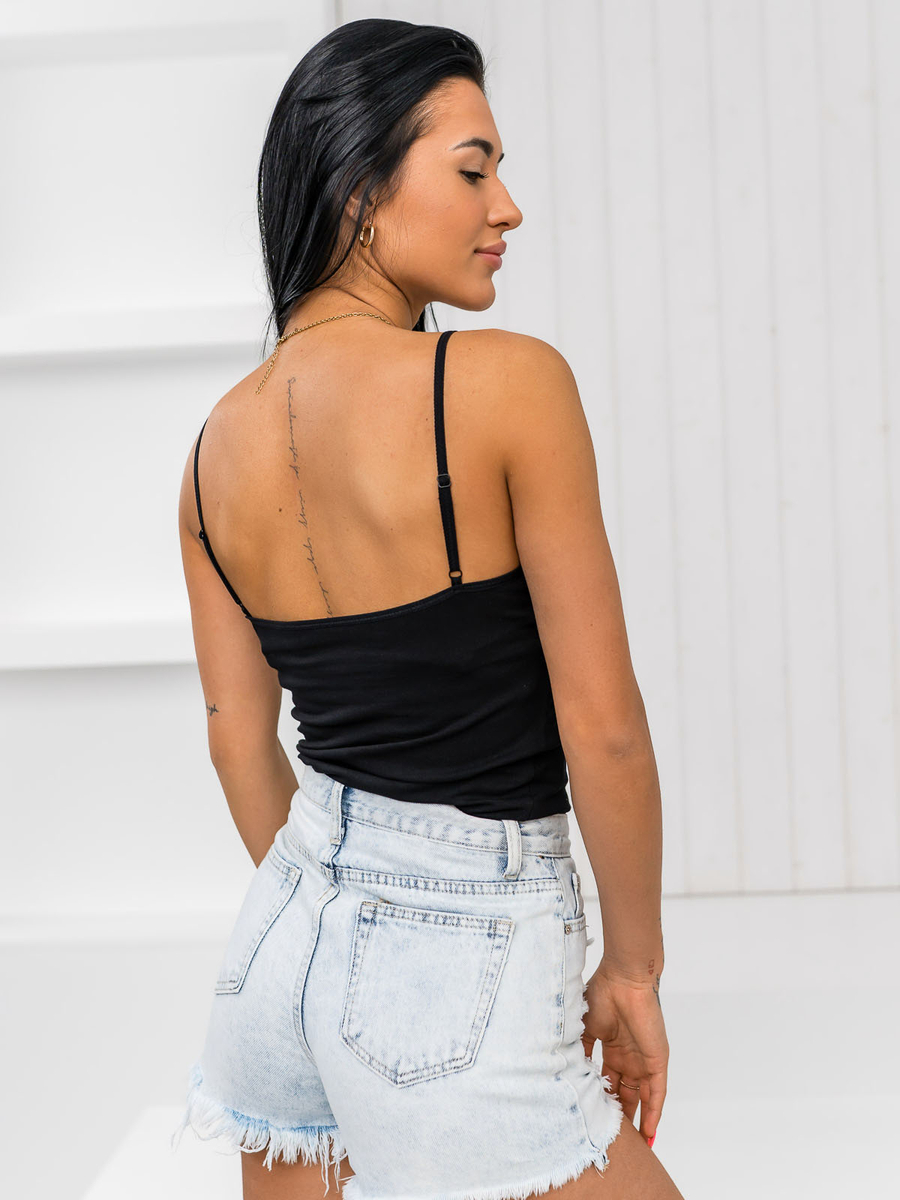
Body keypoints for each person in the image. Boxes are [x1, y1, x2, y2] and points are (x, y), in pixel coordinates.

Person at [170, 17, 683, 1200]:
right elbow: (604, 727)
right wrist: (634, 970)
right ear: (360, 190)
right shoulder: (506, 386)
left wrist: (343, 919)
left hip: (280, 950)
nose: (508, 207)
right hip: (459, 962)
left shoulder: (209, 455)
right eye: (472, 170)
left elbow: (238, 742)